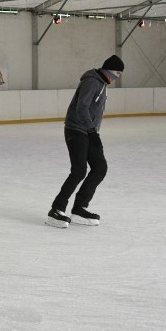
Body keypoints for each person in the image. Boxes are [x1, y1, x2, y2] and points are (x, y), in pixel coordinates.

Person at [47, 54, 124, 229]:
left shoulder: (102, 84)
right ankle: (57, 209)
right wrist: (91, 130)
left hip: (89, 132)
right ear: (108, 70)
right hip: (76, 130)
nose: (117, 77)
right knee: (79, 171)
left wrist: (93, 132)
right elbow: (82, 107)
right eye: (117, 73)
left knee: (100, 168)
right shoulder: (92, 82)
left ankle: (79, 207)